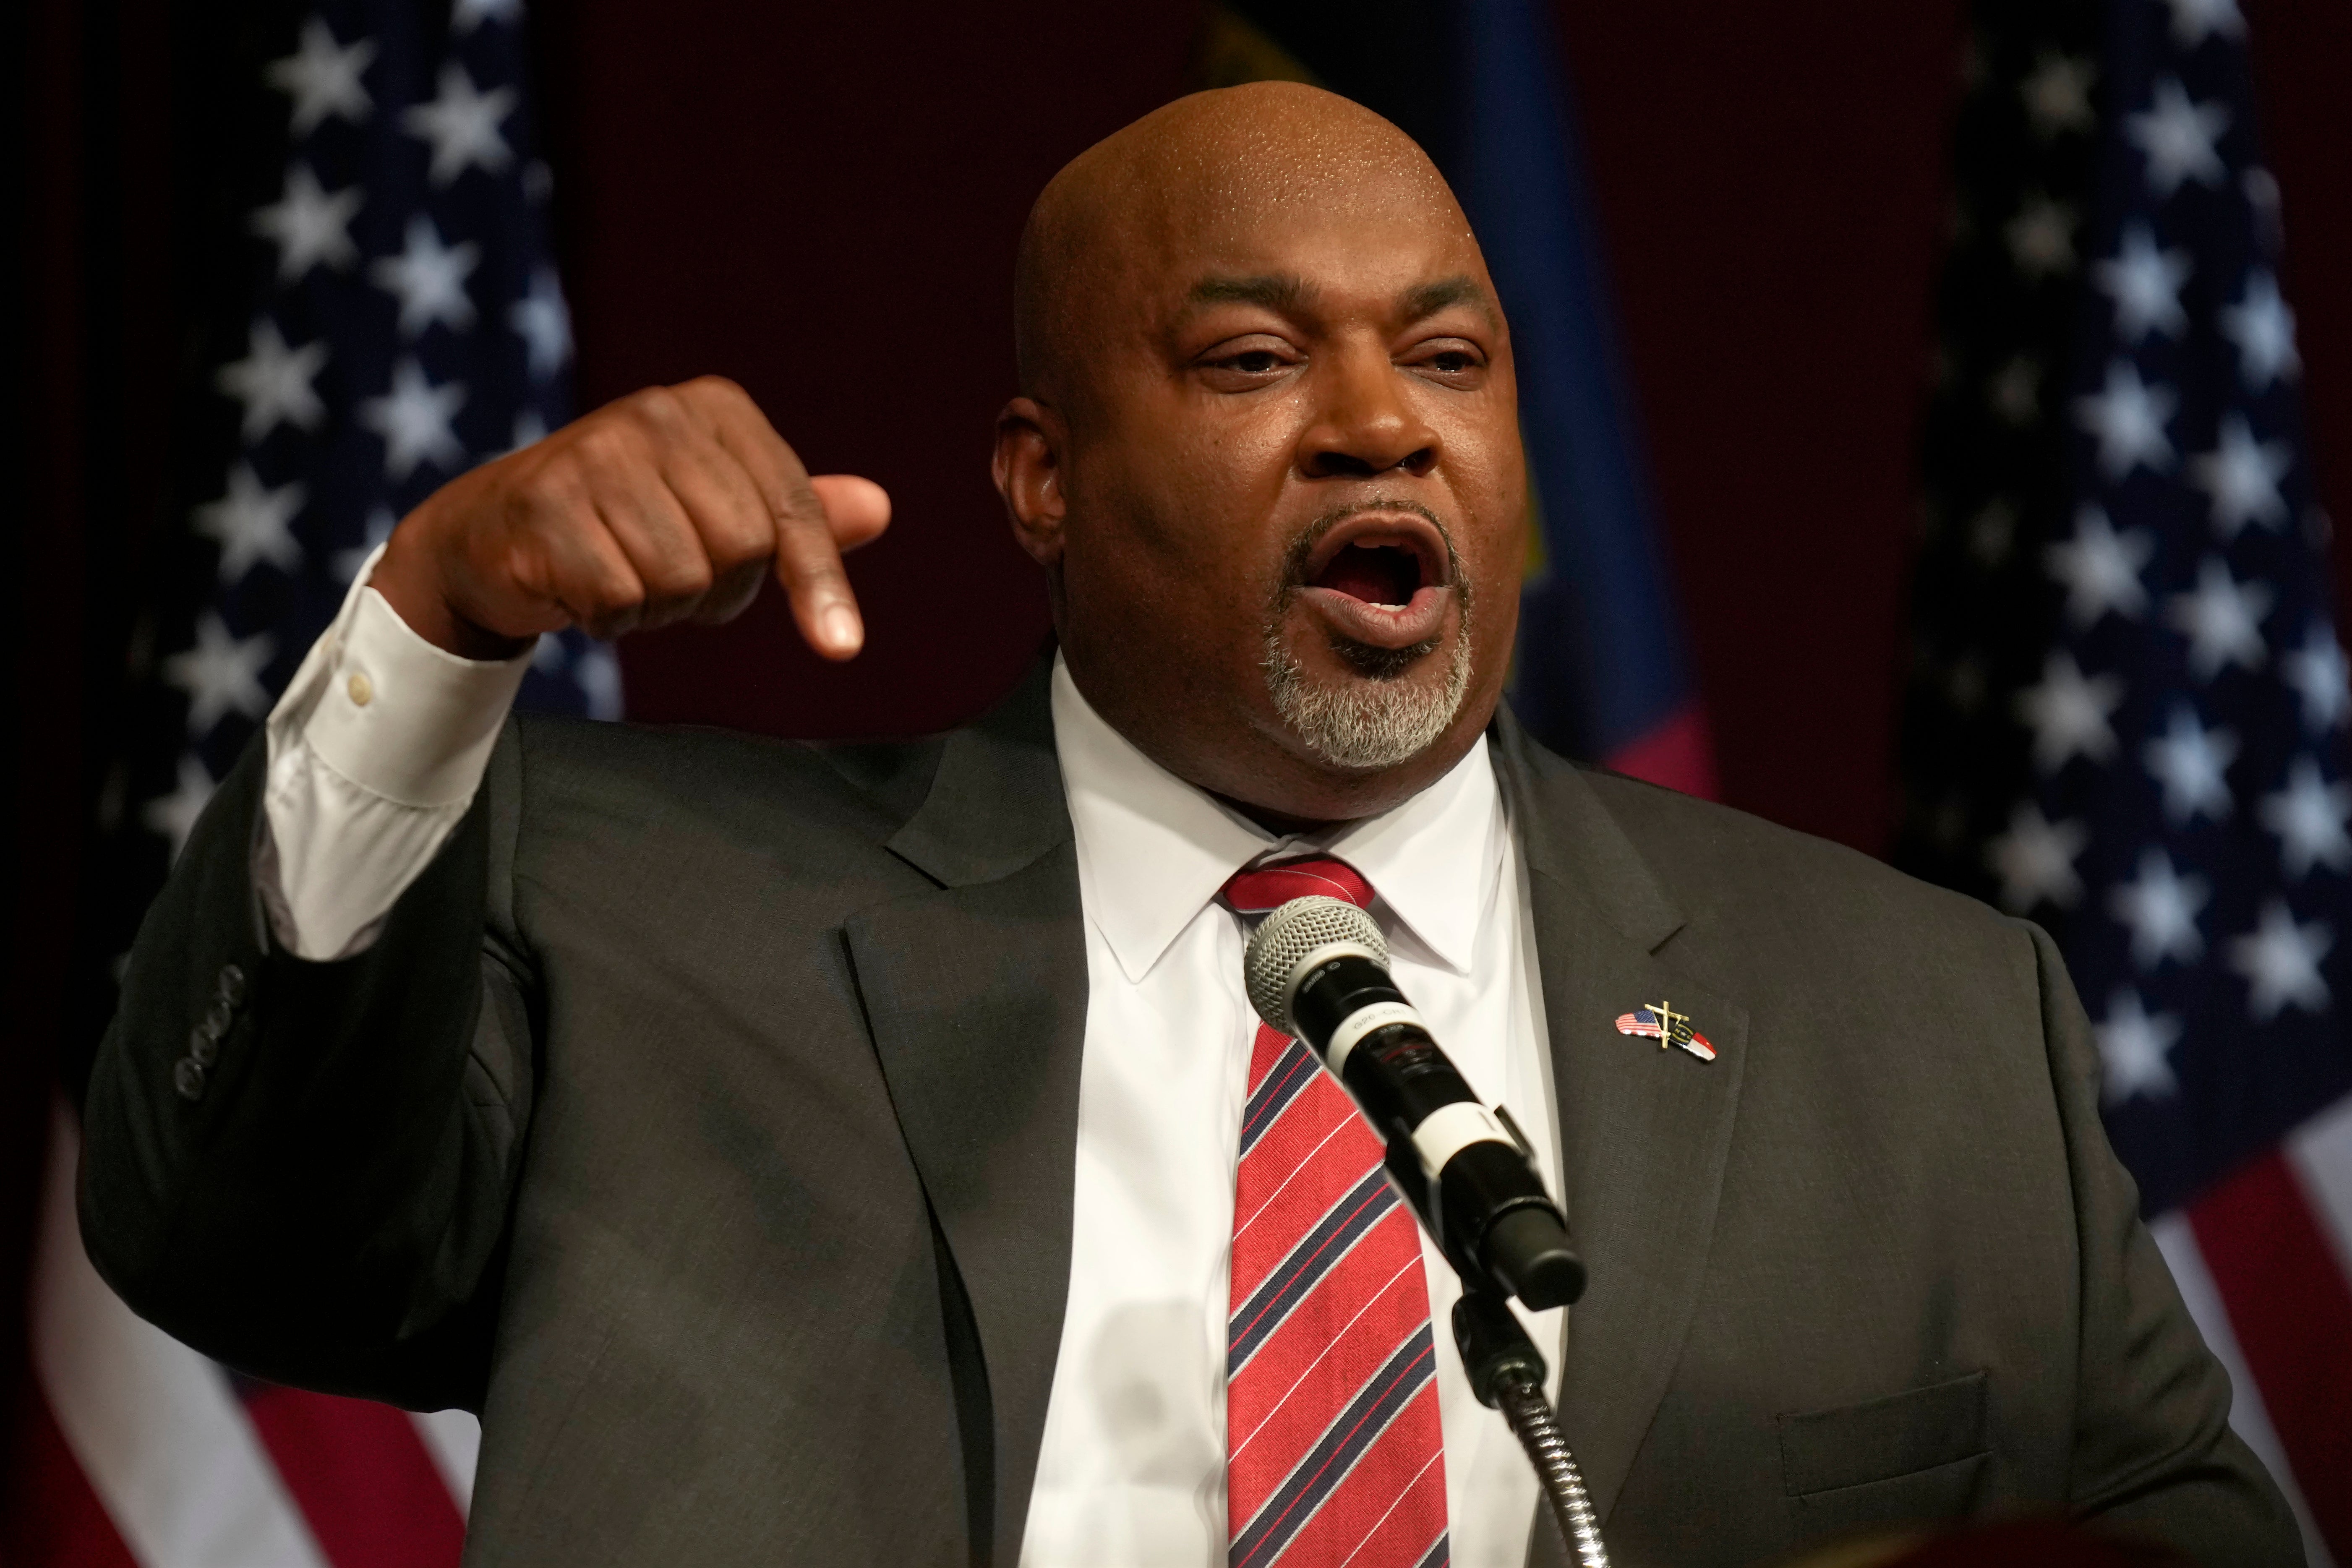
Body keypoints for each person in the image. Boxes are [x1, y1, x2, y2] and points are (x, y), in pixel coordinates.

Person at [80, 82, 2299, 1568]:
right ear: (1037, 472)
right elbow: (221, 1234)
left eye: (1445, 359)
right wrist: (435, 629)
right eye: (1252, 361)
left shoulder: (1920, 1026)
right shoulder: (637, 915)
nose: (1373, 428)